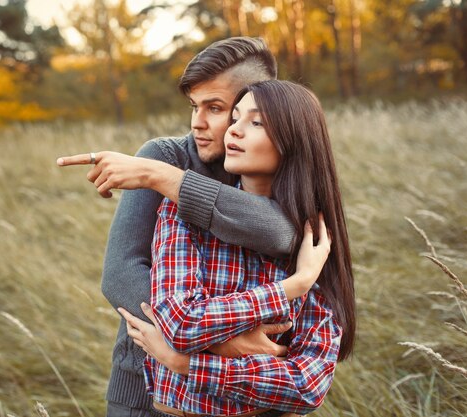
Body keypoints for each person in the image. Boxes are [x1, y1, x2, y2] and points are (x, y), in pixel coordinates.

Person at [57, 38, 301, 416]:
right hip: (146, 389)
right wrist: (220, 342)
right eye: (194, 106)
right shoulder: (167, 155)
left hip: (253, 390)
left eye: (215, 108)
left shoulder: (282, 168)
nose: (196, 122)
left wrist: (166, 180)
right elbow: (121, 274)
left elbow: (282, 233)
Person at [118, 80, 355, 416]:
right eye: (235, 119)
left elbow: (307, 384)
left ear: (294, 140)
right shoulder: (183, 211)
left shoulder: (314, 238)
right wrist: (292, 287)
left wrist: (187, 365)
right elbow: (181, 322)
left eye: (255, 122)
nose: (234, 132)